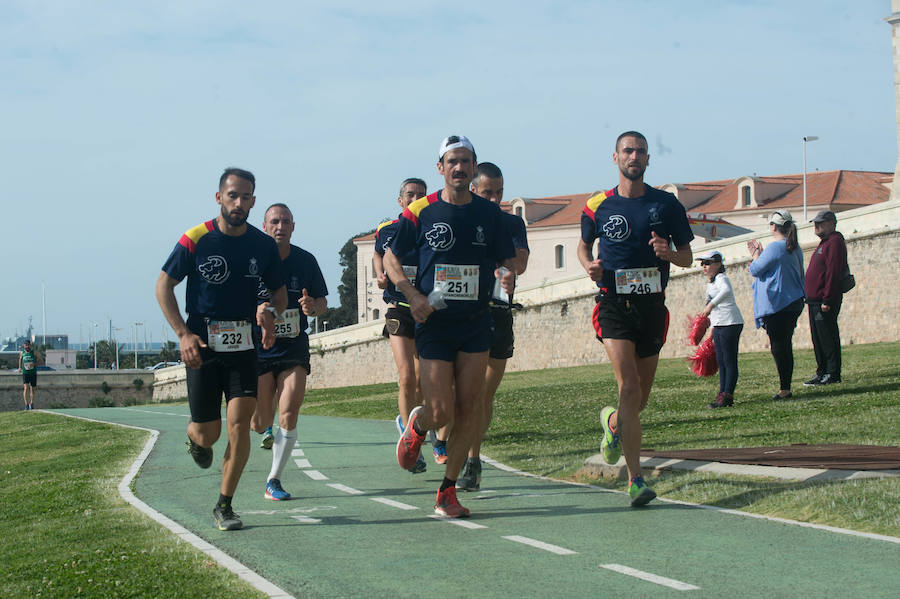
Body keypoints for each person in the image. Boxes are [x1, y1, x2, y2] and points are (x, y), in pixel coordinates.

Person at [385, 135, 516, 517]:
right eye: (452, 161)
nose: (459, 168)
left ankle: (447, 490)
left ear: (474, 168)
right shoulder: (420, 211)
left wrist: (507, 273)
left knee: (469, 406)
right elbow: (392, 259)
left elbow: (509, 259)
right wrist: (412, 296)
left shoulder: (490, 215)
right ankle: (418, 425)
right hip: (435, 323)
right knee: (441, 411)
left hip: (475, 322)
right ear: (440, 168)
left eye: (466, 161)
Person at [156, 167, 287, 531]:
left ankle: (224, 505)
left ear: (253, 201)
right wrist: (182, 334)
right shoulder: (196, 239)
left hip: (243, 344)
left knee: (240, 424)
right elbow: (163, 286)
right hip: (201, 344)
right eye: (232, 196)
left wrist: (270, 312)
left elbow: (279, 293)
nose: (239, 203)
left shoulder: (262, 246)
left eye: (246, 197)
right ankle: (194, 436)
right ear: (219, 198)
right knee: (208, 434)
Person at [577, 130, 694, 507]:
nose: (634, 157)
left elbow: (687, 257)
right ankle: (635, 479)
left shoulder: (667, 205)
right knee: (628, 386)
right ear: (615, 158)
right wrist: (589, 266)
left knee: (638, 400)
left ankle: (613, 425)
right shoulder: (598, 205)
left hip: (652, 307)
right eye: (628, 151)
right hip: (613, 305)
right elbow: (583, 246)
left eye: (641, 152)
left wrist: (667, 253)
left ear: (647, 160)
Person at [457, 161, 529, 492]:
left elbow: (520, 263)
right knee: (459, 393)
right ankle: (443, 437)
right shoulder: (459, 218)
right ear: (473, 189)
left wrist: (506, 268)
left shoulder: (512, 222)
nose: (494, 199)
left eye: (499, 193)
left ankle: (473, 459)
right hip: (463, 315)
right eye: (488, 192)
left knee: (484, 393)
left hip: (498, 312)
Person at [252, 203, 328, 501]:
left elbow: (321, 302)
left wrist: (312, 307)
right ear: (264, 226)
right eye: (274, 221)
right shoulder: (253, 261)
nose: (280, 226)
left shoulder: (305, 261)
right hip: (258, 349)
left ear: (293, 226)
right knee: (259, 422)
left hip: (293, 346)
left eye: (285, 221)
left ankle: (274, 479)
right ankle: (263, 425)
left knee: (289, 411)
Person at [373, 177, 434, 474]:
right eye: (411, 195)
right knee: (407, 376)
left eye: (421, 195)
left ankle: (412, 422)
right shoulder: (388, 230)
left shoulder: (432, 231)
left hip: (425, 309)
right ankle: (409, 440)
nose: (416, 199)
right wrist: (380, 274)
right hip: (398, 308)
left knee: (422, 379)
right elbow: (379, 255)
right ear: (400, 200)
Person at [747, 210, 805, 400]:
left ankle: (785, 389)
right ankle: (785, 386)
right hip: (794, 302)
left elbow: (755, 269)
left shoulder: (775, 248)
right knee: (785, 344)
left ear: (773, 226)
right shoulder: (794, 247)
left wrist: (756, 255)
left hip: (778, 304)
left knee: (779, 346)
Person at [803, 210, 847, 386]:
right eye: (815, 223)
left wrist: (827, 299)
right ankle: (821, 371)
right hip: (814, 300)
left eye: (821, 223)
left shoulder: (835, 242)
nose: (816, 226)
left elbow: (832, 272)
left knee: (828, 337)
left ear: (831, 224)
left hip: (824, 300)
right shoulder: (825, 243)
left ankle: (832, 372)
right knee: (818, 338)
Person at [695, 250, 744, 408]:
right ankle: (722, 392)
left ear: (718, 264)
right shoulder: (711, 283)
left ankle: (728, 394)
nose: (704, 266)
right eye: (702, 264)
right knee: (721, 360)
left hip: (730, 322)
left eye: (707, 263)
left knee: (729, 360)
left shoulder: (722, 278)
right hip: (720, 324)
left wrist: (710, 306)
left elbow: (726, 291)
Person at [19, 340, 40, 410]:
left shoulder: (34, 352)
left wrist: (34, 364)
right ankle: (26, 404)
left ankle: (31, 403)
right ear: (24, 346)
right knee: (25, 388)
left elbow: (40, 360)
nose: (27, 347)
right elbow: (20, 359)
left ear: (30, 345)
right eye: (25, 345)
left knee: (32, 389)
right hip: (25, 373)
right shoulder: (22, 353)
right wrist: (19, 367)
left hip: (33, 372)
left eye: (28, 345)